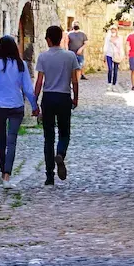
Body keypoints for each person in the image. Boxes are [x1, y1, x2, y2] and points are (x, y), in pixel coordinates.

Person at [0, 36, 39, 186]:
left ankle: (2, 170)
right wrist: (34, 106)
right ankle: (7, 175)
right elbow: (27, 88)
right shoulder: (21, 65)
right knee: (12, 141)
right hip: (16, 106)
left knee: (1, 140)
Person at [35, 25, 80, 185]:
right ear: (61, 38)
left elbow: (40, 81)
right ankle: (60, 153)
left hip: (48, 97)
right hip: (64, 97)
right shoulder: (70, 56)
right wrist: (76, 97)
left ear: (48, 39)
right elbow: (74, 79)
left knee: (48, 138)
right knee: (64, 132)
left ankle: (49, 176)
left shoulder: (43, 57)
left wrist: (35, 102)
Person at [103, 26, 124, 91]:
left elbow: (120, 46)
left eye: (114, 29)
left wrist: (121, 55)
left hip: (116, 55)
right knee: (110, 69)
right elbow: (105, 46)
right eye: (112, 29)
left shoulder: (119, 38)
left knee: (115, 71)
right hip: (109, 54)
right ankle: (109, 84)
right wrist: (104, 55)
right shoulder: (108, 37)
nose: (113, 31)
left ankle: (114, 85)